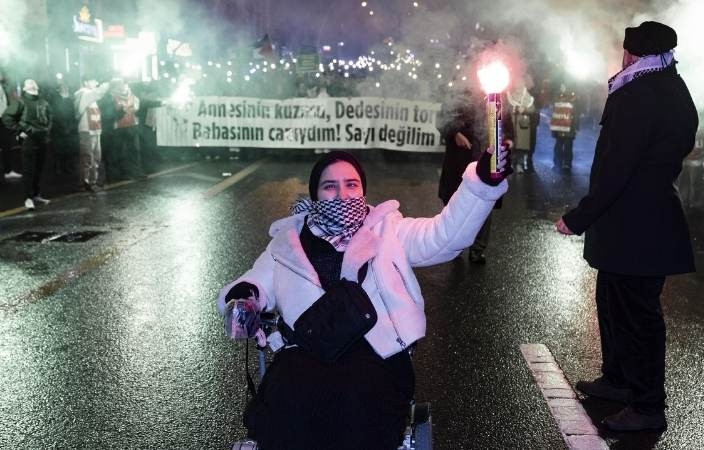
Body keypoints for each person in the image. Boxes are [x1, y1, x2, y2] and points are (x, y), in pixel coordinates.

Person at [218, 149, 510, 449]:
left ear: (363, 189)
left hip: (375, 353)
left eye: (351, 184)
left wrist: (482, 183)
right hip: (305, 351)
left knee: (357, 402)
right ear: (315, 193)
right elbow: (254, 281)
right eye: (330, 186)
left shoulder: (390, 231)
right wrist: (245, 297)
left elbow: (446, 235)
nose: (342, 194)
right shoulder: (288, 243)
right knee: (290, 405)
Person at [555, 21, 698, 431]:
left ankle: (647, 407)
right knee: (613, 302)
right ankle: (618, 379)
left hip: (635, 226)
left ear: (632, 54)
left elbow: (617, 169)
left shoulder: (635, 92)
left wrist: (578, 217)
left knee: (638, 319)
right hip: (640, 223)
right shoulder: (674, 86)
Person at [438, 88, 513, 264]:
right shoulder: (459, 91)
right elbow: (443, 120)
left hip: (486, 159)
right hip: (459, 160)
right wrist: (455, 133)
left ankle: (478, 248)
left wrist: (508, 139)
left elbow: (507, 124)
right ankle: (454, 247)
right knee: (454, 203)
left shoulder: (497, 93)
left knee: (484, 202)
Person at [2, 79, 53, 210]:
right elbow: (6, 117)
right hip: (29, 141)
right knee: (29, 170)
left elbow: (49, 117)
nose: (33, 91)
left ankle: (35, 195)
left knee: (38, 169)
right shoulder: (21, 102)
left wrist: (46, 131)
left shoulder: (43, 102)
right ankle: (28, 198)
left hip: (41, 139)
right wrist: (20, 130)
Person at [74, 74, 110, 192]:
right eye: (93, 80)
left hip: (94, 130)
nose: (96, 82)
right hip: (86, 131)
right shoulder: (83, 93)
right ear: (85, 82)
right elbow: (98, 92)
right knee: (87, 158)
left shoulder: (89, 95)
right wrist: (109, 83)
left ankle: (92, 182)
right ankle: (84, 183)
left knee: (95, 158)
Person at [506, 82, 538, 173]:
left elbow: (533, 109)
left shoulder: (527, 97)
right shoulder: (510, 95)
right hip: (512, 125)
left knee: (521, 147)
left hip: (523, 127)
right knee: (512, 146)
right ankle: (511, 164)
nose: (518, 86)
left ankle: (519, 164)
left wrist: (524, 109)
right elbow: (506, 109)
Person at [551, 82, 579, 173]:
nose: (562, 88)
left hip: (569, 126)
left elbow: (576, 114)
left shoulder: (573, 98)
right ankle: (558, 163)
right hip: (559, 126)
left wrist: (576, 126)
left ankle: (566, 164)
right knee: (558, 145)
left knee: (568, 145)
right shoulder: (557, 97)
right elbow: (554, 112)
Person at [0, 69, 22, 180]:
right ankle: (7, 170)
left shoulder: (3, 87)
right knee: (6, 145)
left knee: (6, 145)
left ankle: (8, 170)